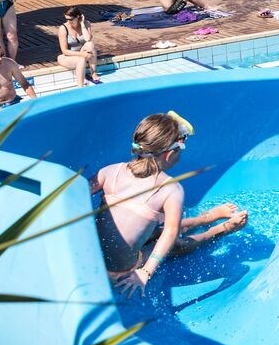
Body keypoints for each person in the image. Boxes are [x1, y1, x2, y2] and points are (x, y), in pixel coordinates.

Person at [92, 112, 247, 297]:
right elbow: (171, 234)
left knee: (159, 229)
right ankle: (220, 229)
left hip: (94, 257)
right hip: (125, 269)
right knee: (175, 244)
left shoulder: (109, 171)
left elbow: (75, 193)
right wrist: (145, 272)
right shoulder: (171, 189)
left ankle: (208, 217)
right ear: (169, 154)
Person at [57, 6, 101, 87]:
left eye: (70, 19)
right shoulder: (63, 28)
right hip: (67, 56)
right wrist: (82, 55)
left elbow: (88, 39)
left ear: (77, 17)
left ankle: (93, 72)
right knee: (81, 60)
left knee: (90, 45)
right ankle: (80, 87)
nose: (68, 21)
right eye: (66, 19)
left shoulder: (86, 23)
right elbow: (64, 51)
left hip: (82, 53)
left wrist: (82, 24)